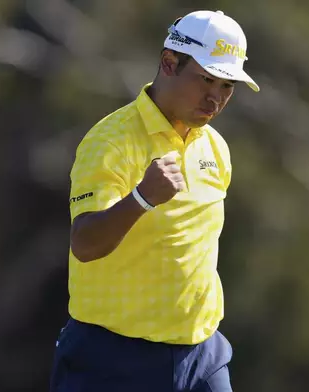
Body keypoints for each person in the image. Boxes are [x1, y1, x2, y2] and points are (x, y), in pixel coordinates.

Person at [49, 9, 259, 392]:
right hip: (112, 359)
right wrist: (142, 199)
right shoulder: (110, 141)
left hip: (201, 355)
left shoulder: (216, 148)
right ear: (168, 63)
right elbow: (85, 243)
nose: (216, 98)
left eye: (227, 86)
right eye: (207, 79)